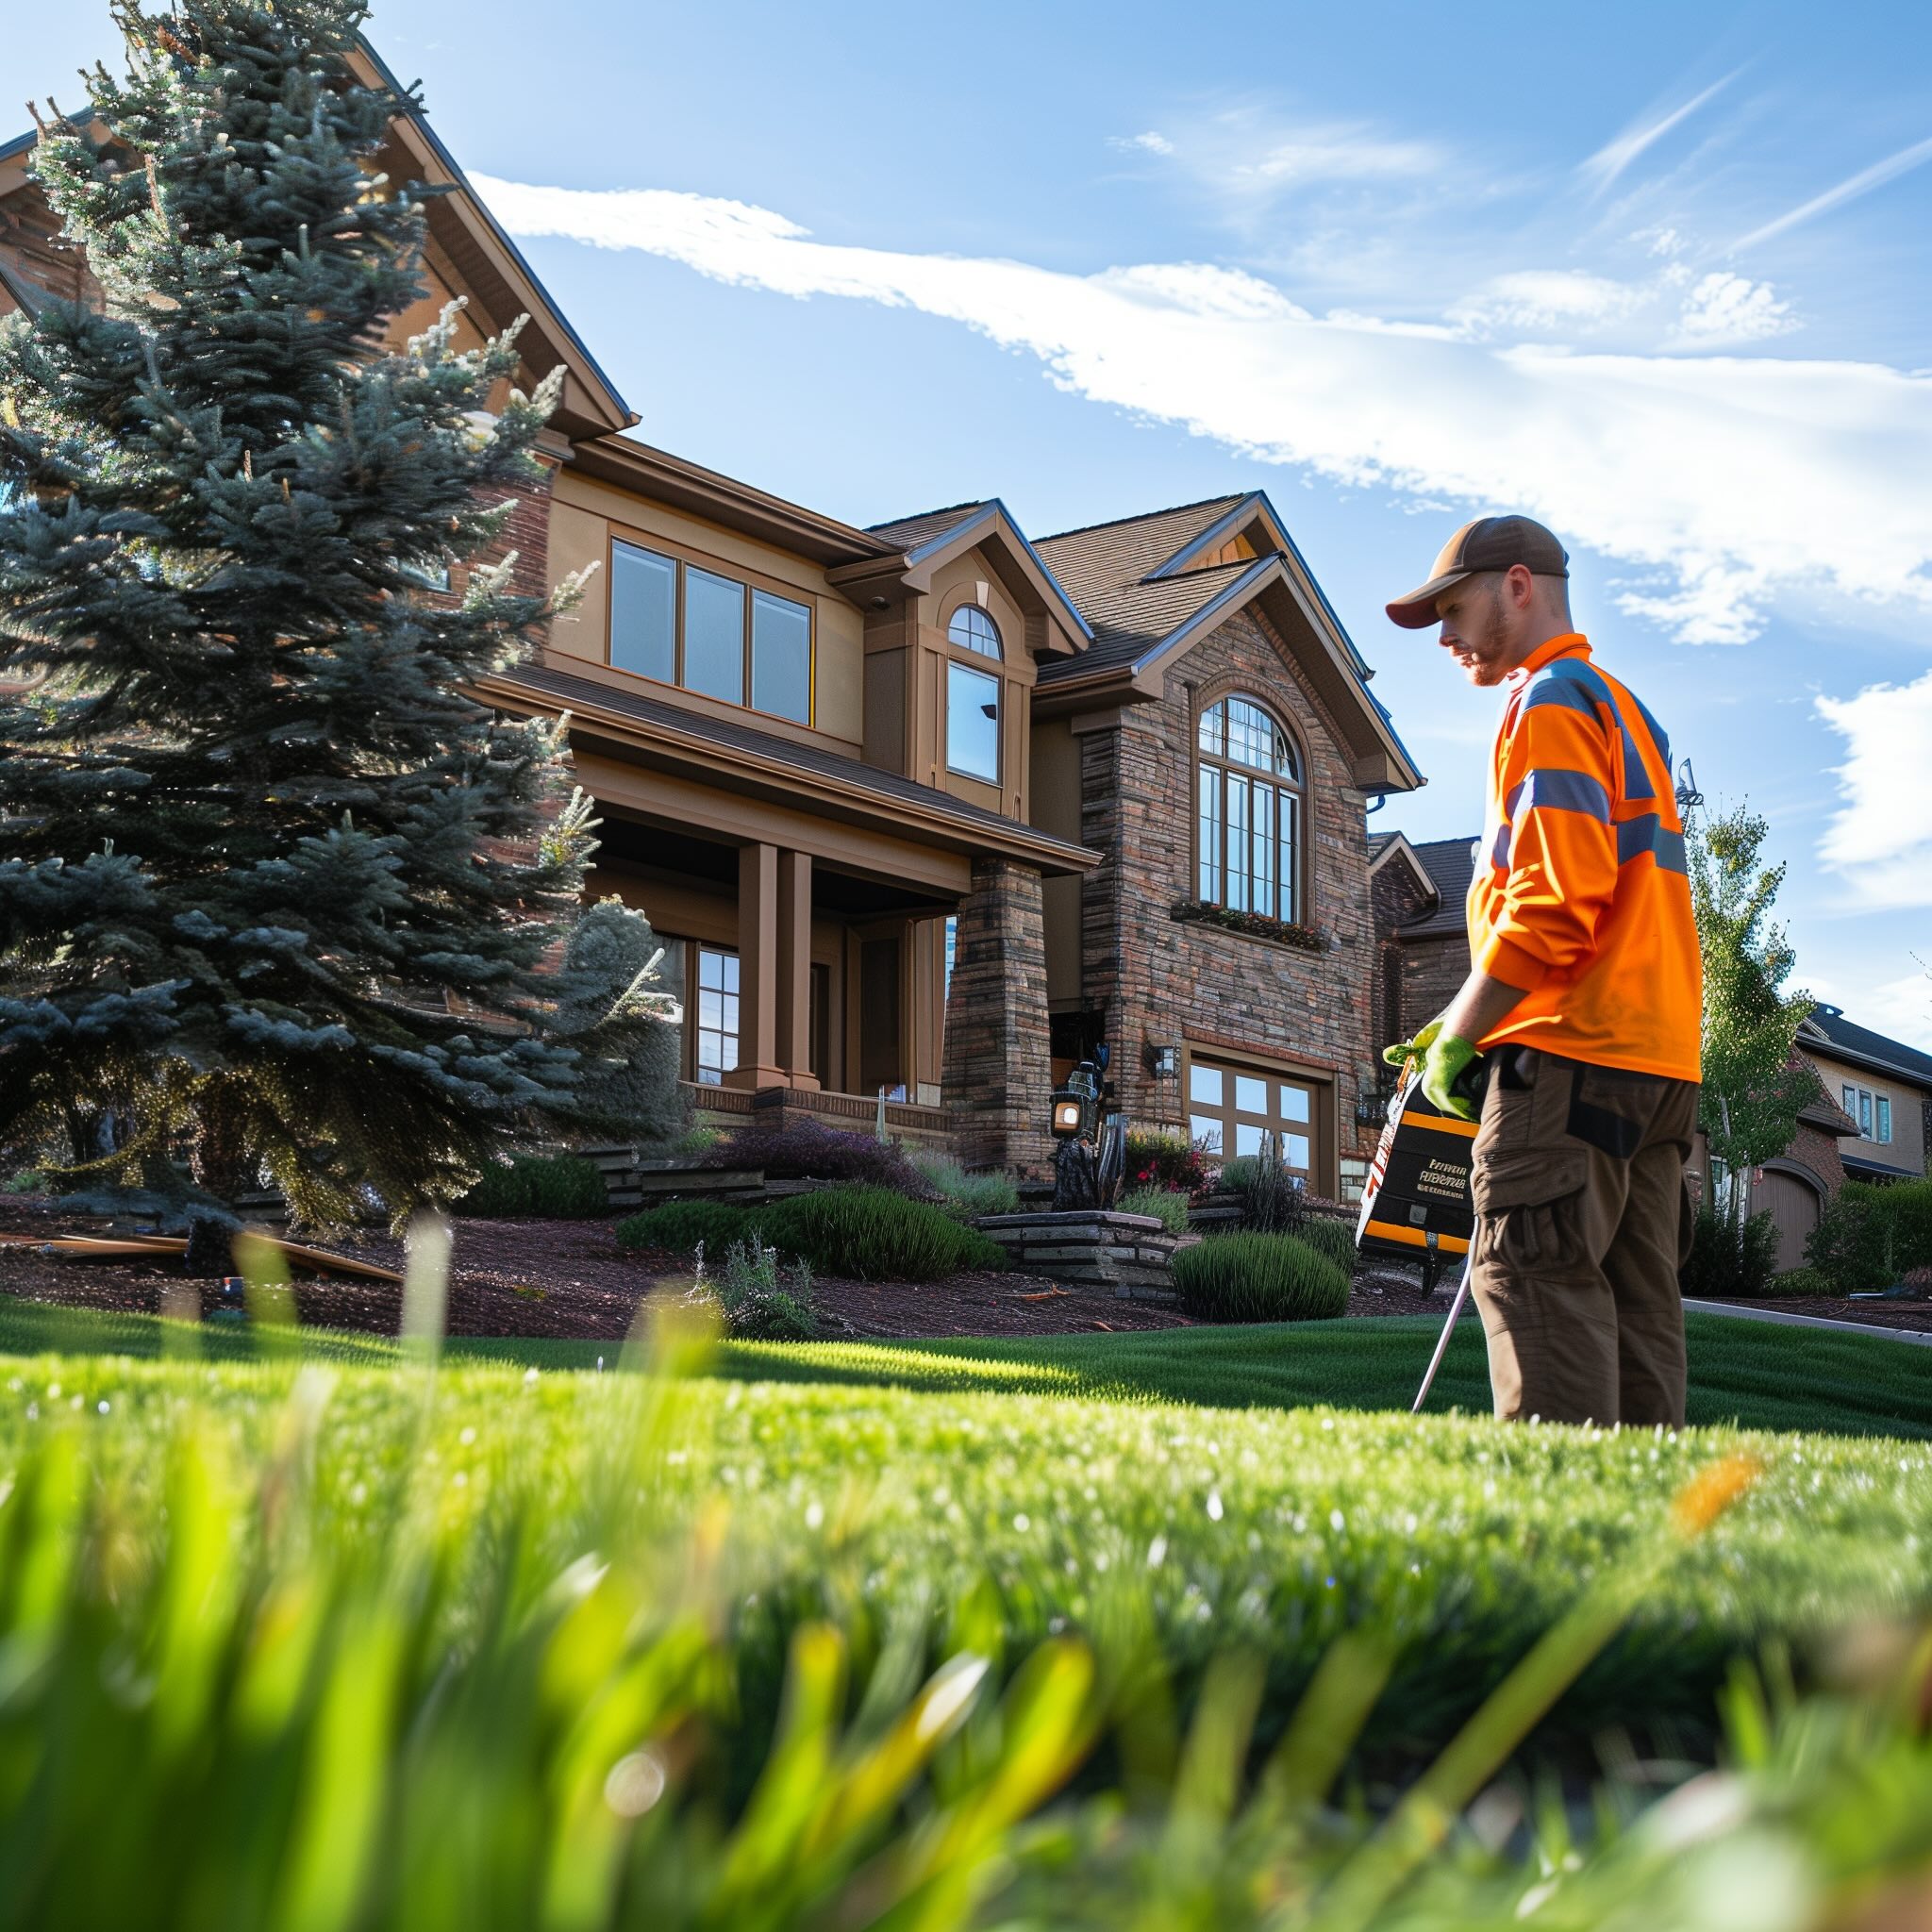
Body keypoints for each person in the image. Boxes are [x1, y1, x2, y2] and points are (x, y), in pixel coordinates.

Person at [1383, 516, 1702, 1427]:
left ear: (1516, 585)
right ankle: (1644, 1545)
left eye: (1453, 609)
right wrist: (1465, 1012)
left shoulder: (1552, 701)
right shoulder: (1626, 710)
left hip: (1567, 1060)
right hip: (1657, 1062)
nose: (1444, 637)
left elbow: (1559, 902)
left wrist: (1460, 1030)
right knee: (1635, 1299)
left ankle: (1556, 1542)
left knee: (1533, 1272)